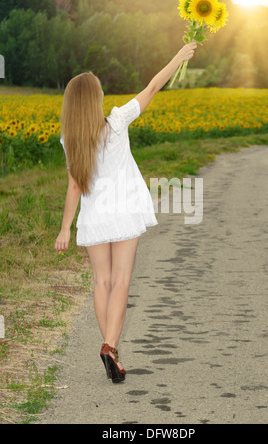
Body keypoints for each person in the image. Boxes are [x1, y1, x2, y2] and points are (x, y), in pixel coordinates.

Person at [54, 41, 198, 383]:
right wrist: (178, 57)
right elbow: (152, 87)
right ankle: (110, 347)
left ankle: (111, 351)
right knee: (121, 281)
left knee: (101, 282)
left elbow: (74, 187)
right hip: (125, 212)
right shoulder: (117, 121)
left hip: (93, 216)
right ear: (96, 100)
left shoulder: (69, 138)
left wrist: (64, 229)